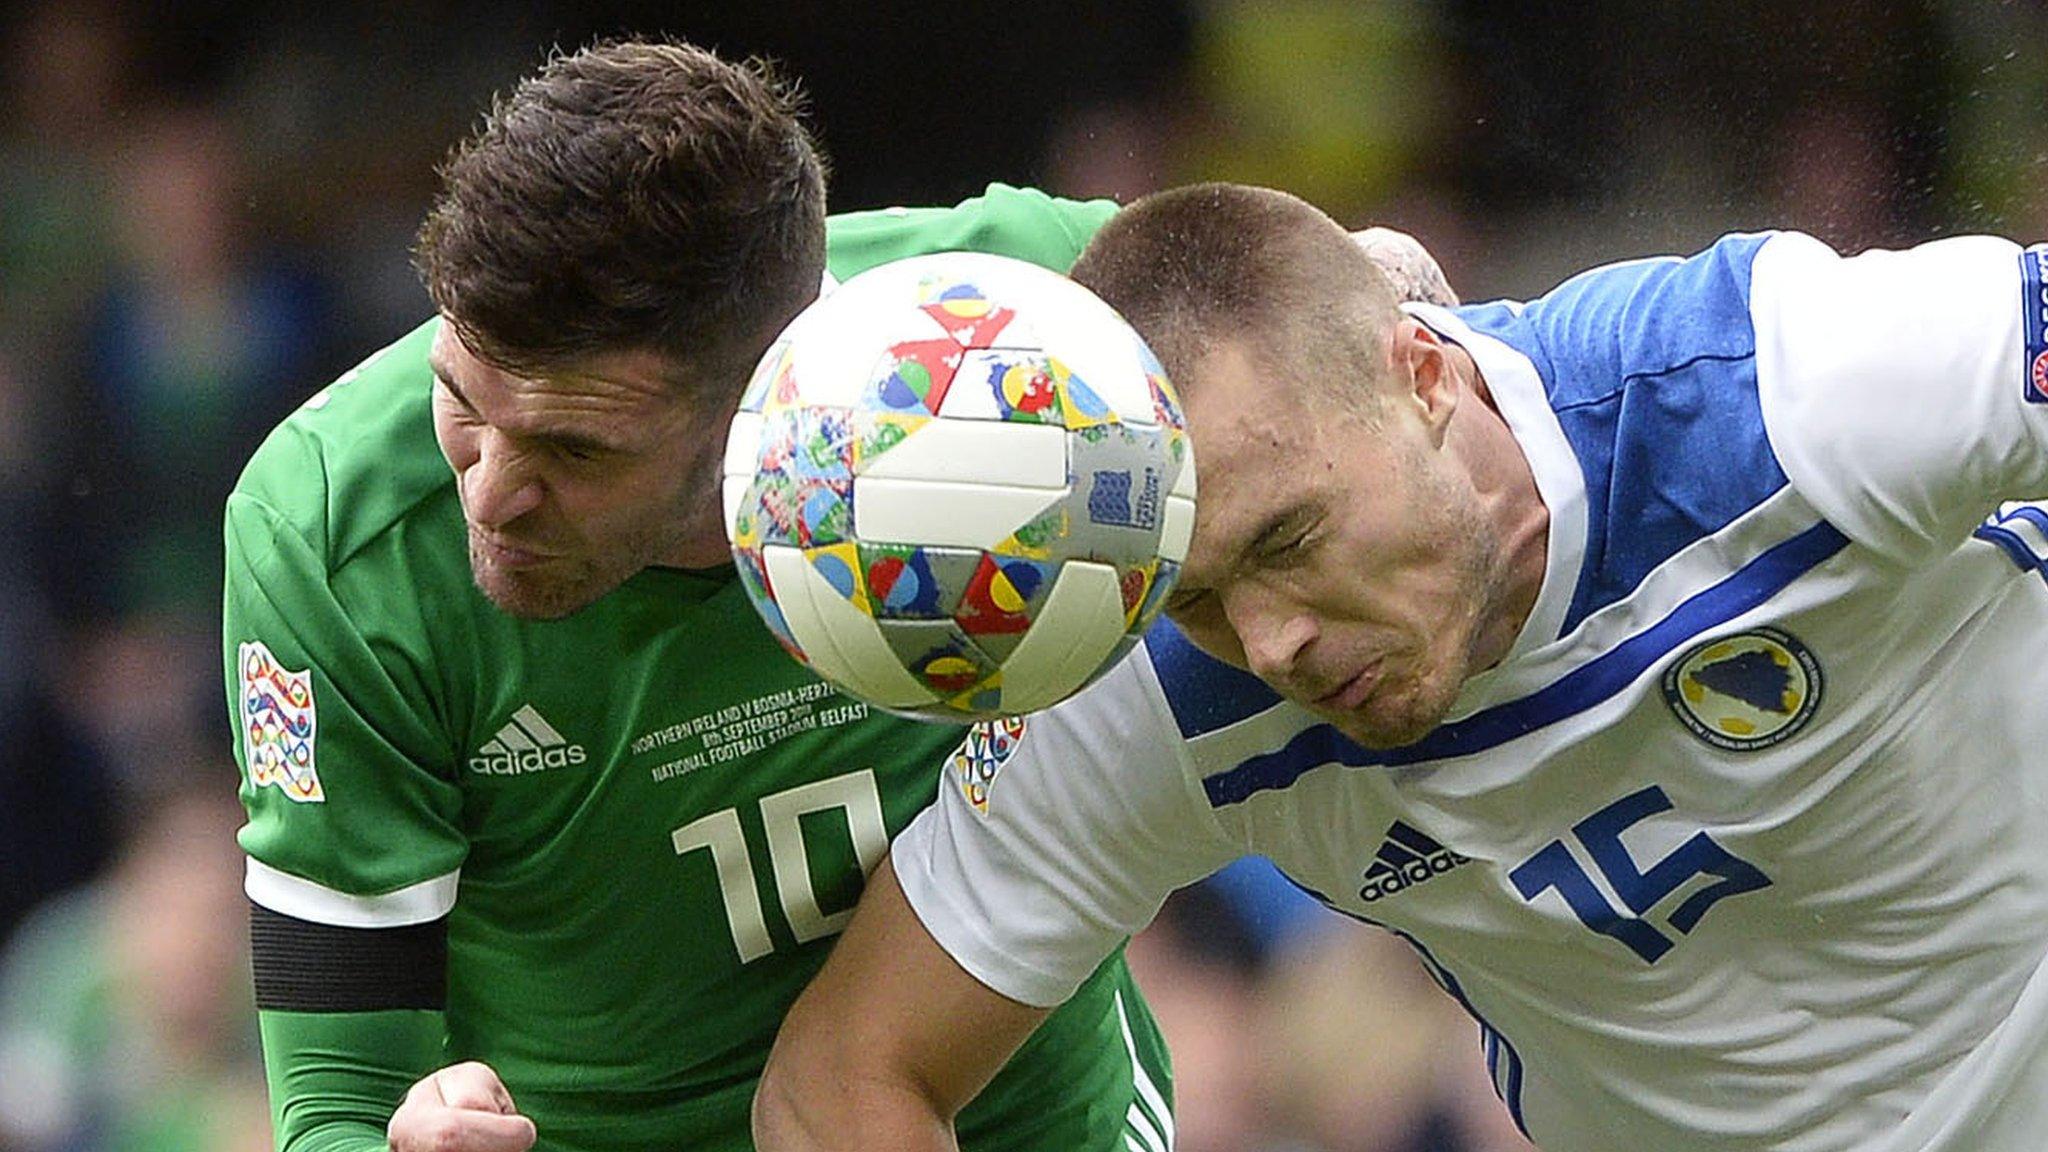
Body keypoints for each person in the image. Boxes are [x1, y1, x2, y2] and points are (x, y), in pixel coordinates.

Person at [753, 182, 2048, 1152]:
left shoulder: (1769, 390)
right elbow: (839, 1079)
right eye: (1200, 596)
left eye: (1291, 540)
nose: (1270, 644)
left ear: (1421, 372)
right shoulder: (1165, 699)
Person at [224, 38, 1187, 1152]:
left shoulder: (1018, 345)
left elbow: (1330, 335)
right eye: (461, 401)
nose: (488, 496)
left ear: (762, 400)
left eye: (575, 452)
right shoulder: (340, 544)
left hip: (1031, 1125)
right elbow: (337, 1102)